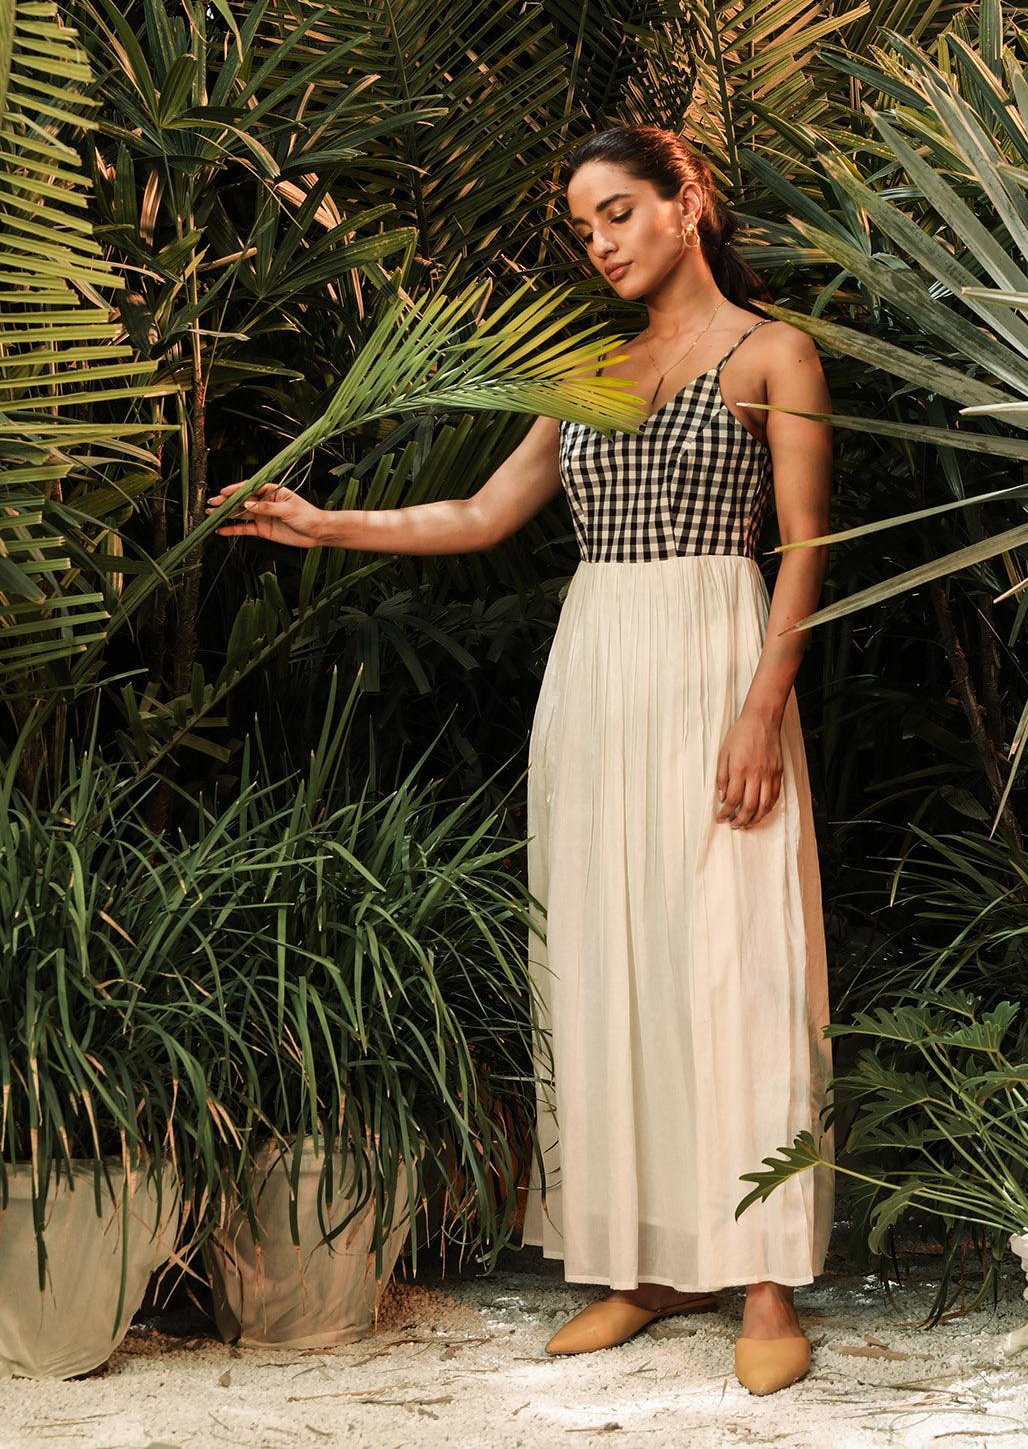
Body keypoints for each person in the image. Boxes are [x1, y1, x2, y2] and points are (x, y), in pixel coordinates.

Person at [206, 123, 835, 1396]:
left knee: (739, 957)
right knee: (611, 958)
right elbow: (484, 513)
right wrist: (325, 525)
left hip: (718, 656)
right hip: (597, 672)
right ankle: (646, 1260)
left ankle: (764, 1273)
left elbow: (810, 545)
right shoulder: (587, 372)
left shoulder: (774, 353)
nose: (601, 241)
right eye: (585, 226)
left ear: (686, 200)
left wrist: (763, 706)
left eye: (619, 211)